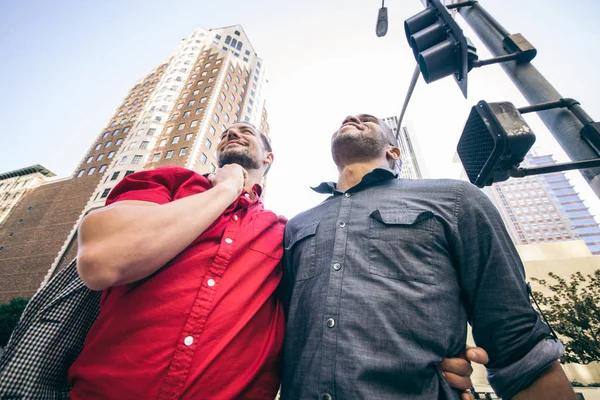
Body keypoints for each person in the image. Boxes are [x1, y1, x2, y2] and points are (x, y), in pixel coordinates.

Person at [1, 122, 485, 399]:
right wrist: (228, 186)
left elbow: (328, 313)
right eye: (230, 129)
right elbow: (104, 262)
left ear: (269, 159)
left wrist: (423, 358)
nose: (236, 128)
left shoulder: (287, 231)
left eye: (250, 132)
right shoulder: (167, 184)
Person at [280, 114, 575, 400]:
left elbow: (515, 340)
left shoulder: (457, 199)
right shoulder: (295, 227)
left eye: (367, 118)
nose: (351, 117)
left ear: (393, 151)